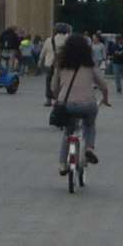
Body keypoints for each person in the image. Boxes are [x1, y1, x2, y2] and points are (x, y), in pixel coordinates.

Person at [48, 32, 111, 176]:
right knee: (89, 124)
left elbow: (53, 86)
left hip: (67, 103)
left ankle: (63, 164)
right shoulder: (89, 64)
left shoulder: (61, 63)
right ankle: (89, 148)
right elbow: (103, 85)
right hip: (87, 103)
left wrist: (58, 98)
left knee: (68, 132)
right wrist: (105, 99)